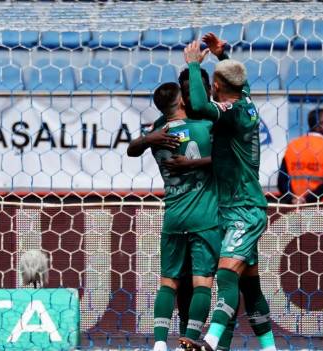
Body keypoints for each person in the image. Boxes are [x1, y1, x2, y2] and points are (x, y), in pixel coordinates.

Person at [180, 38, 276, 351]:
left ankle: (209, 342)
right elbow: (240, 81)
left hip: (244, 210)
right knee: (249, 284)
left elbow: (198, 105)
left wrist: (195, 64)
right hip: (237, 207)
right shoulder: (246, 100)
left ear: (217, 85)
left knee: (226, 274)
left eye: (214, 81)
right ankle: (270, 348)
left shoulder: (232, 112)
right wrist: (222, 55)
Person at [128, 82, 221, 351]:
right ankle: (189, 342)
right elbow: (227, 159)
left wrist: (148, 138)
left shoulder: (158, 135)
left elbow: (132, 149)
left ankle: (159, 344)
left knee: (168, 282)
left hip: (173, 215)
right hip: (204, 217)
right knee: (203, 281)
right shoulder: (204, 128)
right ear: (181, 102)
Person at [278, 108, 323, 204]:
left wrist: (293, 199)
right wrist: (307, 200)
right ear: (318, 125)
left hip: (293, 207)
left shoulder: (293, 145)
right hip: (321, 208)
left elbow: (281, 181)